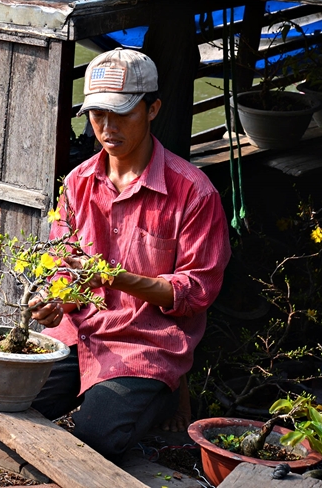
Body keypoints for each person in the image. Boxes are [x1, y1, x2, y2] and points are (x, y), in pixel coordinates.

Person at [30, 48, 231, 460]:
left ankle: (169, 392)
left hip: (145, 345)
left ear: (153, 108)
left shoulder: (194, 192)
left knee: (96, 435)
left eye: (122, 113)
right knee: (16, 400)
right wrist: (55, 303)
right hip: (77, 333)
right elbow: (61, 268)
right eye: (98, 114)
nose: (107, 127)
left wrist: (115, 277)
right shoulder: (76, 183)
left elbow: (196, 292)